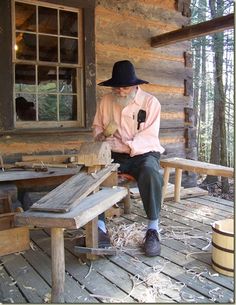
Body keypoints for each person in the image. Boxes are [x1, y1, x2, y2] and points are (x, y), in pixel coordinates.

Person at [92, 60, 165, 257]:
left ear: (134, 85)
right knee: (94, 174)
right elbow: (97, 129)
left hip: (144, 153)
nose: (121, 91)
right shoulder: (106, 101)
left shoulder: (150, 103)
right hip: (115, 154)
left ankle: (153, 229)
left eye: (125, 87)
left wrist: (122, 144)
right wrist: (101, 135)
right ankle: (99, 227)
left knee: (151, 172)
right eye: (117, 87)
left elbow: (148, 137)